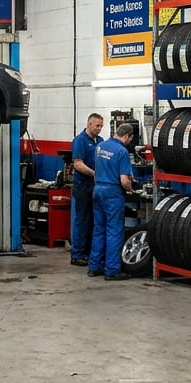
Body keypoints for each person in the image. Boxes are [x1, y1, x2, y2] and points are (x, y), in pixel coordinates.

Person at [90, 123, 136, 281]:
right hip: (112, 193)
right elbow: (124, 180)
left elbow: (98, 170)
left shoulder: (100, 146)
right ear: (127, 136)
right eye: (130, 139)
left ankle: (94, 266)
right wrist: (130, 188)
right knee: (114, 231)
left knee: (99, 229)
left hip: (98, 189)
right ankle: (112, 270)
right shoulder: (122, 151)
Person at [69, 113, 104, 267]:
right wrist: (94, 174)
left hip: (97, 188)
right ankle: (77, 254)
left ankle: (90, 253)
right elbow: (77, 163)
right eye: (97, 125)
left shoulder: (101, 141)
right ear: (89, 124)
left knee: (94, 221)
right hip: (83, 187)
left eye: (101, 126)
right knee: (82, 220)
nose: (99, 128)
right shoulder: (79, 141)